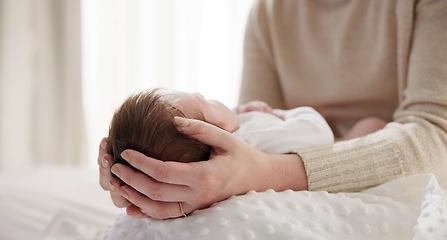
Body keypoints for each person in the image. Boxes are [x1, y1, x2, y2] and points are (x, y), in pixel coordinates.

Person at [98, 0, 447, 220]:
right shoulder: (269, 13)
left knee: (371, 125)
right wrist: (143, 187)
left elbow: (437, 135)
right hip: (310, 159)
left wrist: (266, 172)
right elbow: (242, 149)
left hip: (398, 175)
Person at [107, 88, 336, 172]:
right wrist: (283, 115)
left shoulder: (209, 151)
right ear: (215, 132)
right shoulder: (251, 138)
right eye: (205, 100)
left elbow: (233, 118)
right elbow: (319, 131)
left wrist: (245, 112)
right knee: (369, 127)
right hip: (327, 150)